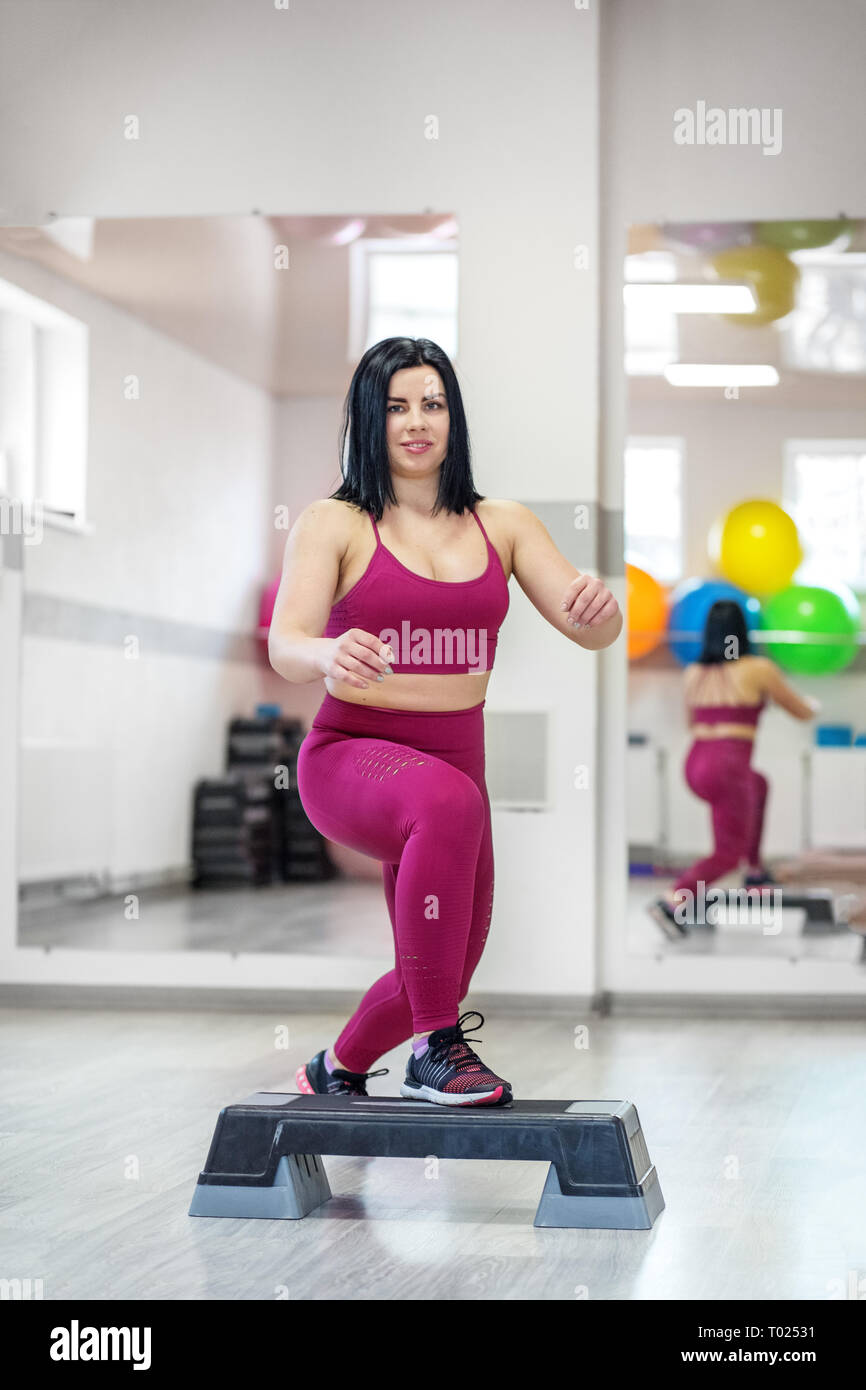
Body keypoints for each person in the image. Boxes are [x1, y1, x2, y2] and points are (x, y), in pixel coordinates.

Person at [268, 337, 622, 1104]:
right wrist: (327, 652)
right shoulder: (336, 522)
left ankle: (333, 1072)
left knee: (439, 970)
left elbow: (592, 629)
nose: (416, 421)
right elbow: (285, 645)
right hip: (351, 759)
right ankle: (436, 1051)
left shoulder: (505, 523)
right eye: (396, 407)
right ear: (371, 419)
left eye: (432, 404)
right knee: (448, 813)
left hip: (453, 775)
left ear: (453, 417)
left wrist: (602, 611)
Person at [648, 599, 820, 940]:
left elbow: (691, 721)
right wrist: (814, 706)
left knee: (758, 784)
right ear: (743, 632)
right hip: (727, 767)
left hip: (696, 764)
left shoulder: (693, 673)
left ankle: (754, 871)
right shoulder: (758, 669)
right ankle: (672, 900)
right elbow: (800, 711)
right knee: (726, 853)